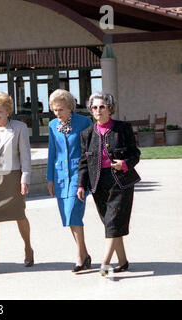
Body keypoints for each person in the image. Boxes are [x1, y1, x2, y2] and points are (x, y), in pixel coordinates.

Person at [77, 92, 141, 276]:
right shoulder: (87, 134)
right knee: (111, 223)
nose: (98, 110)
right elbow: (83, 162)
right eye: (94, 107)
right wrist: (81, 185)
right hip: (98, 183)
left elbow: (135, 154)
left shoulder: (123, 128)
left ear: (110, 109)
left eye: (102, 107)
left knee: (113, 222)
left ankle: (104, 263)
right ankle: (122, 261)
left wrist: (125, 164)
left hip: (121, 181)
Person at [0, 92, 34, 276]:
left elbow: (25, 155)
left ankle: (28, 247)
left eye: (0, 111)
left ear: (8, 111)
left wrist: (24, 178)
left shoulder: (19, 127)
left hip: (13, 177)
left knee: (19, 215)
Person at [46, 89, 93, 272]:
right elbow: (52, 152)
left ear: (70, 107)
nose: (58, 113)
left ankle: (80, 257)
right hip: (60, 177)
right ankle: (85, 253)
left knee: (73, 211)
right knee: (68, 216)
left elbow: (90, 151)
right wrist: (50, 178)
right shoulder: (52, 125)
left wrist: (87, 177)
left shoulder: (84, 122)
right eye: (55, 110)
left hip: (78, 173)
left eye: (61, 109)